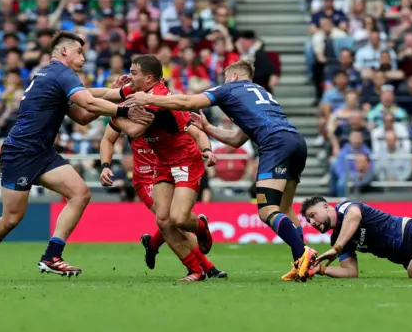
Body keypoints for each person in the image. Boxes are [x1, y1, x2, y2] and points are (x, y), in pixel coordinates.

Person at [0, 31, 155, 281]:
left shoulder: (54, 75)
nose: (84, 56)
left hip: (43, 153)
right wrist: (125, 110)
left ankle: (51, 256)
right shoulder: (60, 73)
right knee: (11, 218)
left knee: (80, 193)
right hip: (20, 152)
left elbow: (84, 115)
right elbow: (89, 103)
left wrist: (116, 93)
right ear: (64, 52)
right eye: (79, 51)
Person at [126, 59, 316, 282]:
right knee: (285, 208)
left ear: (234, 77)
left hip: (275, 144)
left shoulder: (230, 88)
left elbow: (187, 102)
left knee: (267, 210)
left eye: (225, 78)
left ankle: (304, 253)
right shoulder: (260, 93)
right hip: (296, 141)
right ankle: (301, 264)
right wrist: (207, 128)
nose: (223, 82)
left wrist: (148, 98)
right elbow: (236, 139)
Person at [111, 56, 225, 282]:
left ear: (149, 78)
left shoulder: (161, 101)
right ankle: (195, 271)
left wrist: (207, 150)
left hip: (185, 160)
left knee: (179, 219)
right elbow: (104, 97)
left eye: (134, 73)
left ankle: (200, 226)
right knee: (163, 221)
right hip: (162, 164)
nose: (129, 77)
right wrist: (78, 94)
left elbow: (134, 131)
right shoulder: (138, 96)